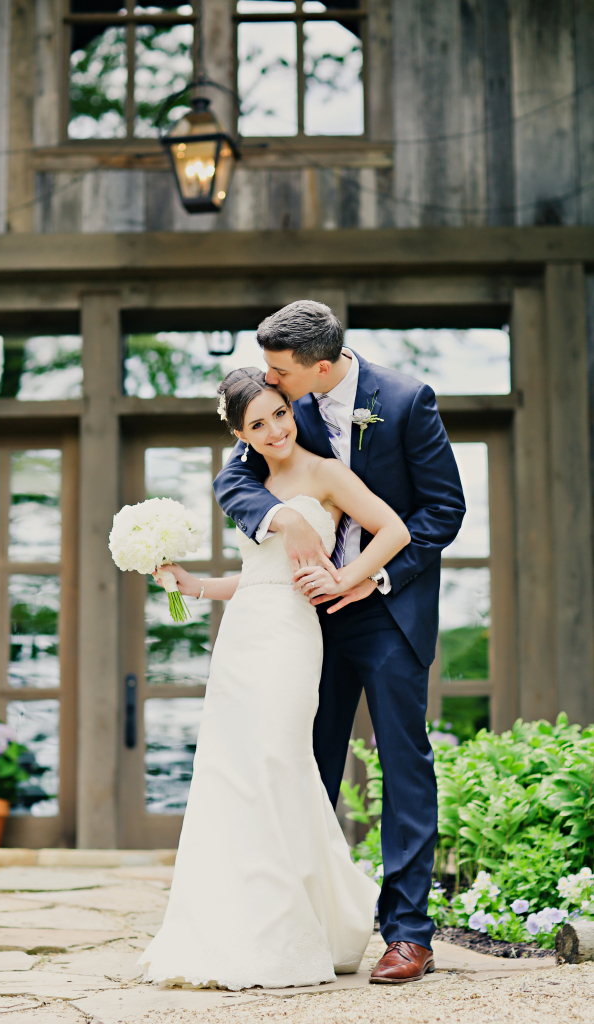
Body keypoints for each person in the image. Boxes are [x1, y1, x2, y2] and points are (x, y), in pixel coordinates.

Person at [213, 301, 465, 984]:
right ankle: (307, 921)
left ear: (318, 369)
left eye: (279, 371)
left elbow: (443, 510)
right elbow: (234, 480)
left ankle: (409, 932)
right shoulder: (277, 412)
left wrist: (367, 577)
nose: (269, 381)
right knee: (304, 764)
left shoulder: (408, 401)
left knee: (402, 765)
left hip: (388, 610)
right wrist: (281, 522)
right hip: (304, 622)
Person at [139, 366, 411, 990]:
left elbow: (392, 529)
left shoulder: (325, 473)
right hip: (242, 636)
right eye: (257, 424)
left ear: (292, 410)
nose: (275, 430)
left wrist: (347, 577)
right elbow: (257, 575)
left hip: (292, 636)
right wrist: (196, 586)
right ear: (241, 434)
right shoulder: (250, 483)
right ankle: (237, 925)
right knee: (231, 773)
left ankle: (301, 925)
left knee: (275, 761)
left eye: (280, 414)